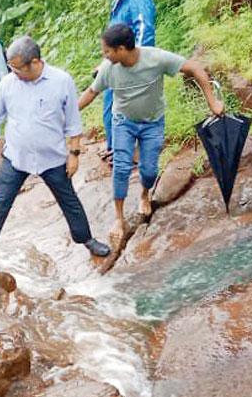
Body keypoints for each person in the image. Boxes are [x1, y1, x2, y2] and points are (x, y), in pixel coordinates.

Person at [78, 23, 225, 240]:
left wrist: (212, 102)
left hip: (152, 123)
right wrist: (68, 115)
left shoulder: (156, 59)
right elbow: (91, 93)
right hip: (123, 122)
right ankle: (119, 219)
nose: (104, 55)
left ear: (121, 49)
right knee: (121, 167)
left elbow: (194, 68)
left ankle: (144, 195)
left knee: (148, 171)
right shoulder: (108, 69)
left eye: (107, 51)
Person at [0, 36, 111, 264]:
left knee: (68, 200)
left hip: (52, 157)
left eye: (17, 68)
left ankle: (87, 239)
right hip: (16, 157)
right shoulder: (8, 83)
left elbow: (72, 121)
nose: (14, 72)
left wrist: (74, 154)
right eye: (11, 67)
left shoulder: (61, 81)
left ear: (34, 62)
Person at [103, 0, 158, 155]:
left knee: (128, 107)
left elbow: (144, 30)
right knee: (112, 103)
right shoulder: (121, 0)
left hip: (130, 62)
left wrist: (137, 61)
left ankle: (129, 151)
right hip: (116, 62)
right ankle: (115, 147)